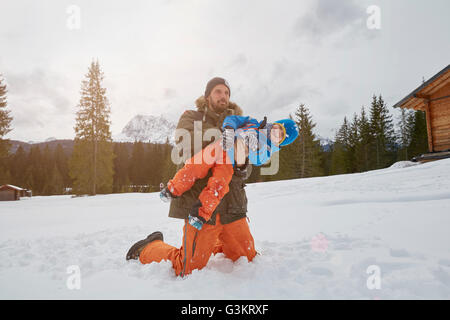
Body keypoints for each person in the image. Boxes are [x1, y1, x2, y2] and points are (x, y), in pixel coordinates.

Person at [125, 77, 291, 276]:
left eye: (227, 93)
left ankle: (211, 244)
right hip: (200, 207)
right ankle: (148, 248)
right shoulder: (191, 117)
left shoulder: (245, 125)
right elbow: (186, 146)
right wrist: (229, 142)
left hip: (232, 205)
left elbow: (247, 171)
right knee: (187, 268)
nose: (223, 96)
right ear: (207, 96)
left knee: (246, 260)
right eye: (218, 91)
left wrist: (240, 162)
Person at [158, 115, 298, 230]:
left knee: (219, 186)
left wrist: (253, 149)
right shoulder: (253, 122)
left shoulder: (266, 151)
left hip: (229, 162)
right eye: (278, 127)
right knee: (196, 165)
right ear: (275, 124)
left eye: (281, 135)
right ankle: (172, 189)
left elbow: (257, 160)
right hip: (220, 146)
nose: (277, 132)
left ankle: (200, 214)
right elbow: (233, 119)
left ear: (281, 142)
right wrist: (229, 129)